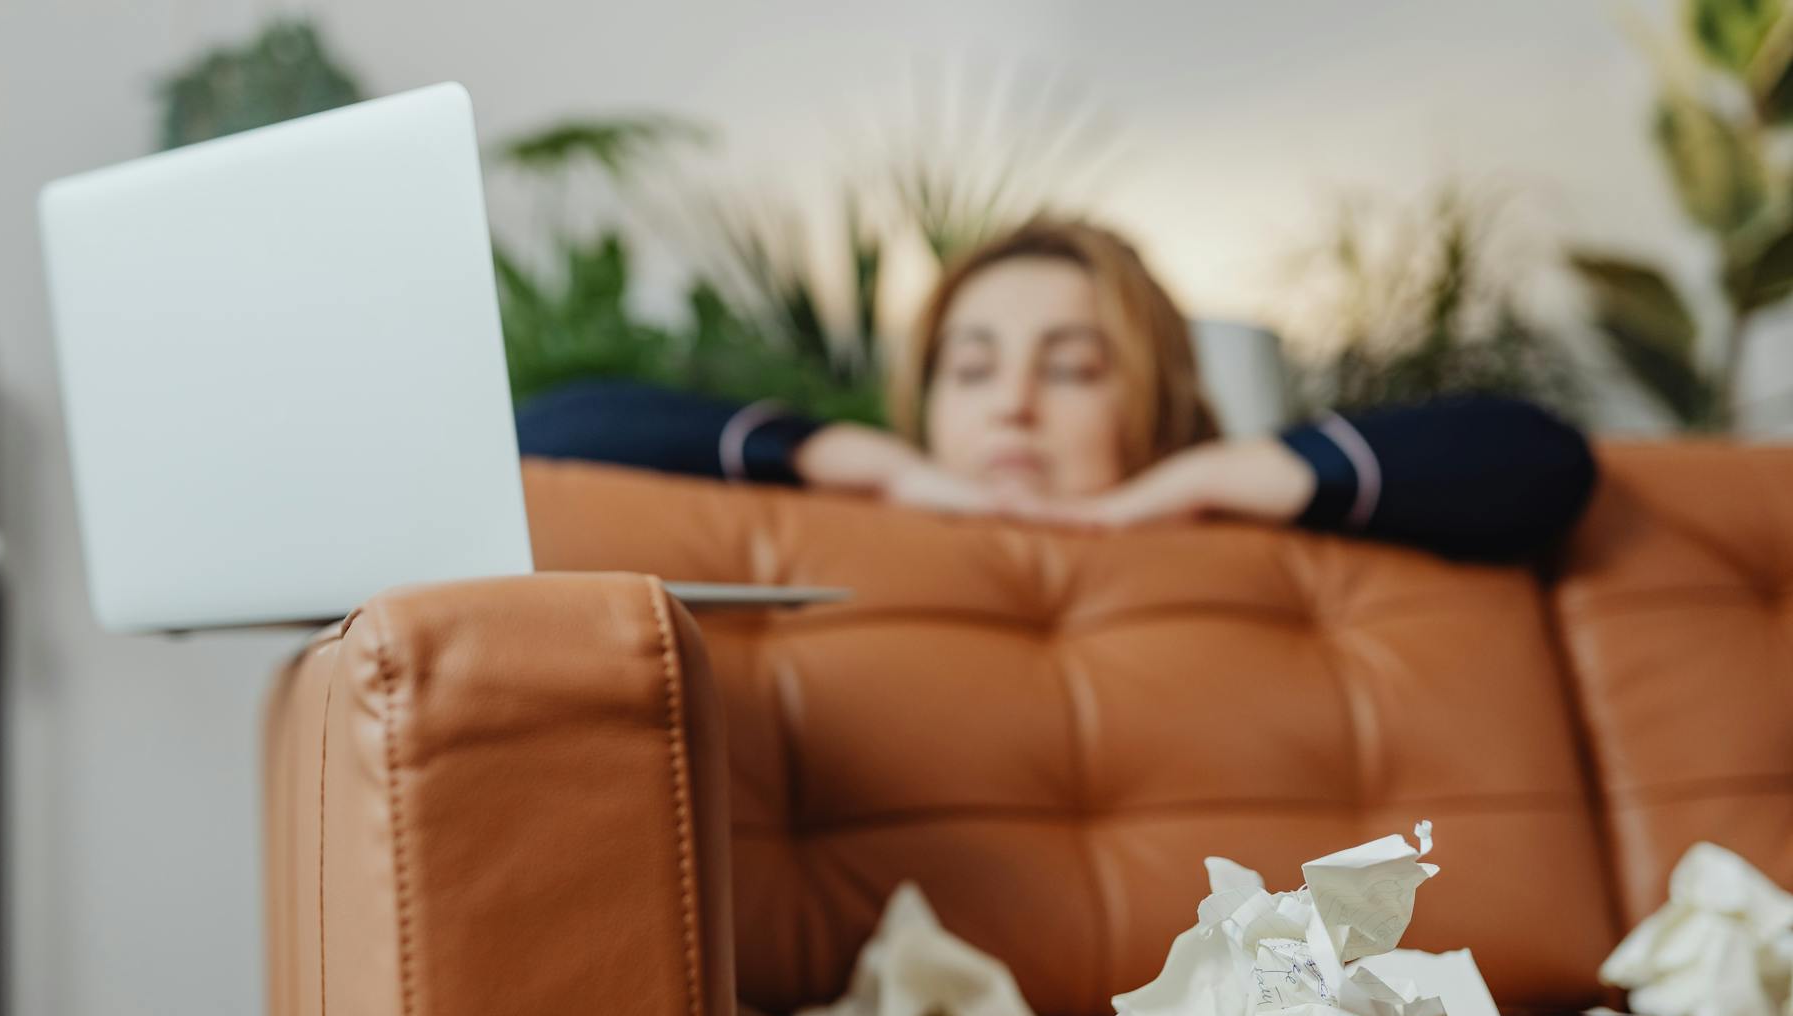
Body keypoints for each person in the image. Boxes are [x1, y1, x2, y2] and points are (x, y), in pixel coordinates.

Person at [516, 219, 1595, 562]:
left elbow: (1543, 460)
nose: (1012, 404)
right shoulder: (866, 517)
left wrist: (1201, 478)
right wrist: (858, 459)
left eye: (1073, 367)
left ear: (1158, 397)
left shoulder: (1231, 520)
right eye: (970, 367)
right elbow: (543, 435)